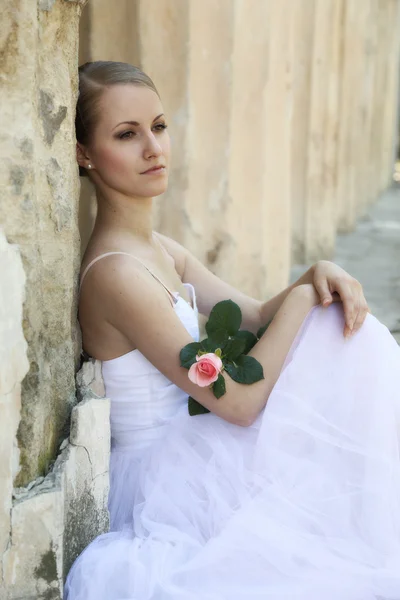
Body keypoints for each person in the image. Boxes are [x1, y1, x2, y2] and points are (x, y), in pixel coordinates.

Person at [65, 61, 400, 600]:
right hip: (160, 480)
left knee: (346, 335)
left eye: (159, 126)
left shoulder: (160, 250)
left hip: (196, 449)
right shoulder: (116, 274)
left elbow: (255, 316)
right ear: (84, 153)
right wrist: (301, 299)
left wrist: (315, 277)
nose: (154, 148)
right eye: (127, 135)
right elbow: (239, 404)